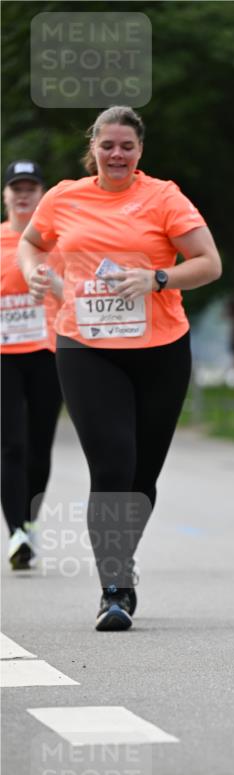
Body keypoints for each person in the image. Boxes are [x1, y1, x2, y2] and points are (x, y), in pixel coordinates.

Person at [19, 106, 221, 631]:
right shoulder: (65, 195)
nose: (116, 155)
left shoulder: (163, 197)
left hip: (161, 348)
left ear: (139, 152)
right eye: (108, 145)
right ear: (94, 148)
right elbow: (31, 243)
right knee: (112, 462)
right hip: (86, 345)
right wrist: (33, 274)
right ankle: (114, 586)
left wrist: (157, 278)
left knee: (141, 475)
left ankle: (121, 556)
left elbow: (208, 263)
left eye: (126, 147)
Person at [1, 160, 62, 570]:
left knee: (40, 446)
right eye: (16, 188)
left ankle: (29, 522)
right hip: (4, 356)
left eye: (31, 187)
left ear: (41, 194)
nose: (23, 194)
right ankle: (17, 533)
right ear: (6, 195)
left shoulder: (56, 243)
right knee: (11, 444)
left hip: (50, 353)